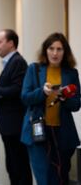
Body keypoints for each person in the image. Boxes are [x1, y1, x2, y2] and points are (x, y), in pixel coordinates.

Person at [21, 33, 80, 185]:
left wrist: (63, 97)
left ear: (65, 52)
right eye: (51, 48)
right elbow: (25, 97)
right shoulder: (34, 69)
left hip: (63, 133)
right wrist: (43, 92)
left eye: (59, 49)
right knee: (44, 178)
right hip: (38, 131)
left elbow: (76, 104)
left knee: (61, 178)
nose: (55, 53)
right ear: (45, 51)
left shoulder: (71, 73)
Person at [0, 29, 32, 185]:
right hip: (10, 126)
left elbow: (17, 89)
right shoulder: (11, 62)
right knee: (13, 166)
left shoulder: (18, 62)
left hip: (15, 125)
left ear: (11, 43)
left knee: (18, 167)